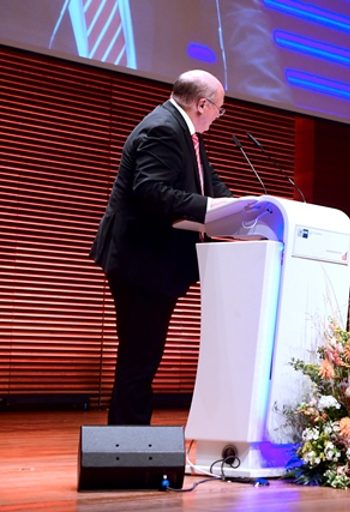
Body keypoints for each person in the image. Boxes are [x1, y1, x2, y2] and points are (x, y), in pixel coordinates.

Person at [90, 69, 234, 425]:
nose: (219, 115)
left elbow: (207, 182)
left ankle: (130, 438)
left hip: (150, 264)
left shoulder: (184, 132)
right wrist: (210, 211)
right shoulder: (164, 130)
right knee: (140, 356)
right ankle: (127, 441)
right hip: (141, 263)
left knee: (143, 354)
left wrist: (240, 209)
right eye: (219, 108)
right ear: (202, 104)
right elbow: (150, 190)